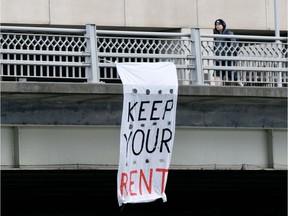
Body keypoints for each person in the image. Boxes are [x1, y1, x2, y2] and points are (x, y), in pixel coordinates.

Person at [213, 19, 243, 86]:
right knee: (217, 73)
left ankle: (241, 86)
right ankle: (217, 89)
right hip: (219, 58)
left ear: (223, 25)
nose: (217, 26)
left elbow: (234, 46)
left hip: (228, 57)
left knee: (231, 74)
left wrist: (231, 55)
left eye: (219, 24)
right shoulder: (216, 36)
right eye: (216, 25)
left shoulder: (228, 33)